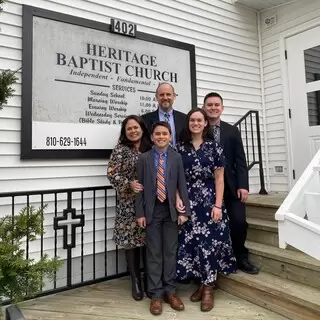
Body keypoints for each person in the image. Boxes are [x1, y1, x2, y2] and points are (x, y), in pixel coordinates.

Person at [175, 108, 237, 312]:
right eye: (192, 120)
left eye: (199, 120)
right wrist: (177, 199)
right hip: (189, 202)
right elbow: (175, 178)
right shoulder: (179, 148)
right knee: (194, 244)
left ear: (205, 123)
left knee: (210, 244)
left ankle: (209, 288)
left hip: (210, 202)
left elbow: (219, 179)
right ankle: (202, 284)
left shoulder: (214, 147)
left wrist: (218, 205)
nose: (195, 123)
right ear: (188, 123)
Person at [135, 121, 190, 316]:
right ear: (151, 137)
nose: (160, 137)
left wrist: (185, 212)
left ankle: (170, 291)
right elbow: (139, 189)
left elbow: (181, 184)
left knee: (170, 251)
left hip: (171, 211)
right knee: (154, 253)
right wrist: (140, 213)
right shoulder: (144, 159)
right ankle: (156, 294)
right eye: (157, 134)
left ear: (169, 136)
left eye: (164, 134)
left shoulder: (176, 157)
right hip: (152, 211)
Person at [202, 92, 259, 275]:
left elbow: (240, 160)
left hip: (232, 186)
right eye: (209, 105)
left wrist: (243, 185)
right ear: (204, 107)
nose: (213, 108)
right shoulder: (198, 130)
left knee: (239, 221)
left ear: (222, 108)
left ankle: (241, 257)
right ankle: (213, 262)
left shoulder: (232, 131)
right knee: (210, 225)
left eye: (216, 105)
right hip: (207, 187)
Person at [107, 115, 152, 301]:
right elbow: (111, 173)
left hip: (151, 202)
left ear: (142, 128)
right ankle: (135, 281)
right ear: (125, 132)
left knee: (150, 241)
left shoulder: (151, 146)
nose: (133, 131)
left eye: (136, 127)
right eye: (129, 129)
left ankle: (150, 279)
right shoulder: (121, 149)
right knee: (132, 243)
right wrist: (128, 184)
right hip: (129, 203)